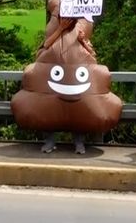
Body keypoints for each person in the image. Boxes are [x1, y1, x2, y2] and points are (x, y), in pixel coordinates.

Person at [39, 14, 96, 155]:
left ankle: (78, 142)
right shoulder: (56, 33)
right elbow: (45, 45)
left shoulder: (80, 34)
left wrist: (82, 41)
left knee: (78, 110)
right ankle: (50, 141)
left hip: (76, 81)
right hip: (56, 80)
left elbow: (93, 55)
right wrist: (60, 29)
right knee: (50, 110)